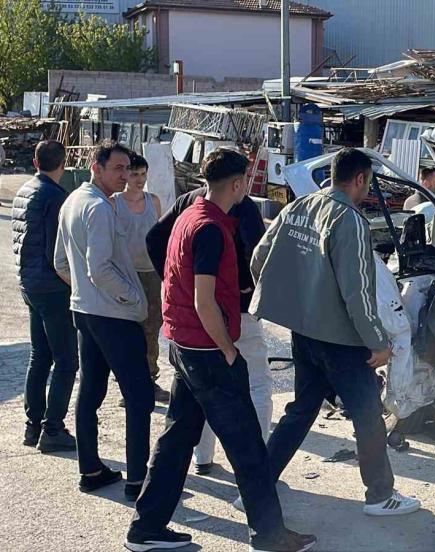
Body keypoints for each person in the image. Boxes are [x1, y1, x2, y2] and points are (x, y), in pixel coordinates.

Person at [126, 149, 315, 552]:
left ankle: (146, 528)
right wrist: (228, 349)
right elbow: (204, 300)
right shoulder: (210, 228)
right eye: (246, 181)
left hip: (184, 344)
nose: (247, 187)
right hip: (207, 350)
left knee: (176, 441)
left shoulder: (189, 213)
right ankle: (270, 535)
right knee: (249, 449)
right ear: (237, 183)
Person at [250, 148, 421, 517]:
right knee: (368, 416)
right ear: (359, 179)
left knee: (301, 410)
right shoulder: (350, 220)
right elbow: (357, 293)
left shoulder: (299, 207)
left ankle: (256, 486)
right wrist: (378, 343)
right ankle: (380, 496)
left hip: (304, 333)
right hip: (342, 341)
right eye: (368, 182)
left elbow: (259, 259)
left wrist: (298, 303)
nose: (367, 189)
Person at [145, 158, 272, 479]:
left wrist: (176, 283)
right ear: (236, 181)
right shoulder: (237, 206)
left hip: (193, 319)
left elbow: (154, 239)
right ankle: (262, 466)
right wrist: (248, 285)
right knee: (255, 384)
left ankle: (203, 458)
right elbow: (259, 256)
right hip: (230, 314)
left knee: (198, 392)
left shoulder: (189, 202)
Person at [54, 140, 155, 501]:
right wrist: (132, 297)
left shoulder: (73, 201)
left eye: (127, 168)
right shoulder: (97, 207)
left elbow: (61, 263)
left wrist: (87, 292)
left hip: (86, 310)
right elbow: (98, 269)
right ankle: (138, 481)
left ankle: (91, 470)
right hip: (112, 316)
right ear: (96, 168)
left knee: (91, 392)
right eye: (118, 169)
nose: (125, 175)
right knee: (139, 396)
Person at [12, 140, 78, 453]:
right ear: (63, 164)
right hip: (52, 287)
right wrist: (74, 284)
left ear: (36, 162)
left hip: (29, 282)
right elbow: (58, 253)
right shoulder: (55, 197)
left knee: (40, 355)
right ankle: (53, 428)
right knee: (66, 360)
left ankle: (33, 425)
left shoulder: (24, 191)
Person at [113, 153, 170, 405]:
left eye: (143, 174)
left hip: (151, 274)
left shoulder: (153, 201)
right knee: (127, 331)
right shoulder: (114, 203)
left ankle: (149, 379)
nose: (139, 179)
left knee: (152, 328)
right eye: (134, 174)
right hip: (125, 275)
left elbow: (159, 237)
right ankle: (128, 386)